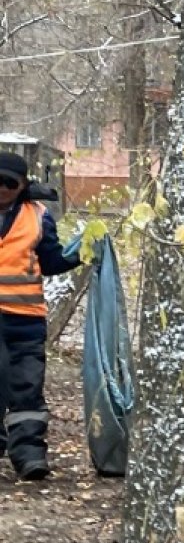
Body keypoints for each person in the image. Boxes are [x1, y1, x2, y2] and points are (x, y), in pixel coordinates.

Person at [0, 151, 81, 480]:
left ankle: (29, 454)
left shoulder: (38, 216)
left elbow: (50, 262)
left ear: (22, 185)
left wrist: (81, 252)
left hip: (26, 319)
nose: (2, 189)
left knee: (27, 387)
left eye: (9, 182)